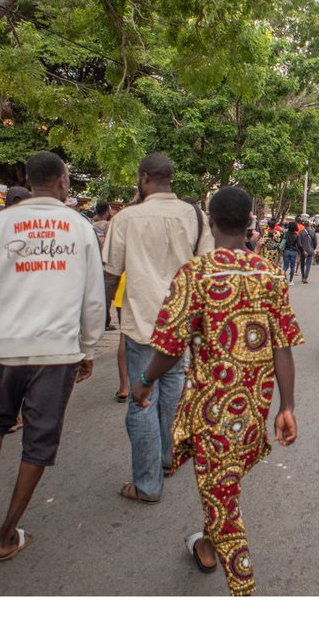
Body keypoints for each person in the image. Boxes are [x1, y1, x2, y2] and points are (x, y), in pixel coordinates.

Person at [131, 186, 300, 593]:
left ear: (209, 221)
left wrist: (142, 381)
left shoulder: (195, 274)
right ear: (250, 224)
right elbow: (283, 347)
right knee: (223, 485)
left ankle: (244, 589)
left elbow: (169, 350)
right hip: (253, 410)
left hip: (212, 412)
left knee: (224, 501)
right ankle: (207, 547)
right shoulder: (271, 274)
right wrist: (287, 406)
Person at [0, 152, 106, 560]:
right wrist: (88, 349)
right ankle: (6, 534)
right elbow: (93, 298)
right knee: (39, 440)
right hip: (56, 351)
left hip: (1, 347)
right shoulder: (79, 227)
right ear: (62, 182)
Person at [102, 153, 213, 503]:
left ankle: (147, 483)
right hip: (181, 323)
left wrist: (94, 322)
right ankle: (168, 457)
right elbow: (206, 270)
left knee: (141, 399)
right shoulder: (195, 216)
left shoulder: (126, 219)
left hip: (141, 324)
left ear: (144, 178)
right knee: (173, 387)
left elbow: (110, 275)